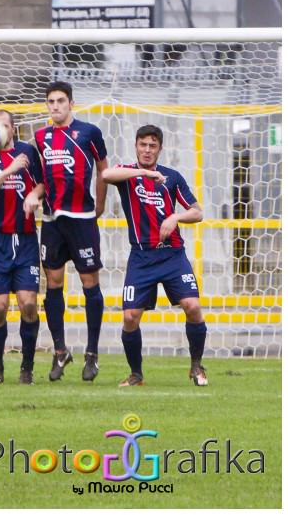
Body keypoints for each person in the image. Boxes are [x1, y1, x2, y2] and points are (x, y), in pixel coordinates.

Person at [103, 124, 209, 387]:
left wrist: (175, 216)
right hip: (141, 258)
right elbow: (105, 174)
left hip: (173, 256)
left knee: (193, 307)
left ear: (160, 149)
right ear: (136, 146)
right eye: (142, 145)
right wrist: (142, 173)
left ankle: (196, 366)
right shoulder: (128, 175)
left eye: (152, 146)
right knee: (130, 317)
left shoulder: (172, 177)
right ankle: (136, 374)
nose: (147, 150)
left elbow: (197, 212)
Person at [24, 81, 107, 382]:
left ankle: (92, 354)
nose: (55, 106)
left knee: (89, 283)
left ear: (71, 103)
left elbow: (102, 168)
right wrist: (35, 194)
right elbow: (43, 177)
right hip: (52, 220)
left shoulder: (89, 133)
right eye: (51, 101)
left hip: (82, 219)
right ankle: (60, 351)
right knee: (54, 283)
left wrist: (99, 205)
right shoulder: (41, 136)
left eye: (60, 101)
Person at [0, 110, 45, 385]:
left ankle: (27, 367)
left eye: (3, 126)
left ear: (13, 129)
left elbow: (42, 184)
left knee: (28, 303)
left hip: (24, 239)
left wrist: (33, 195)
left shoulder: (28, 151)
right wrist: (10, 169)